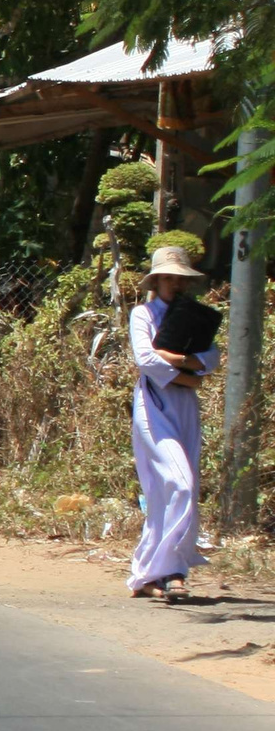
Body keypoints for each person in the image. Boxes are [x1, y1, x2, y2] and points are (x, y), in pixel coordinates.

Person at [127, 245, 219, 600]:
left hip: (185, 406)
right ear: (156, 281)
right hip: (153, 402)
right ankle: (171, 571)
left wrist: (181, 360)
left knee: (180, 489)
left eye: (179, 278)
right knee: (177, 482)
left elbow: (212, 357)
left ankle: (154, 575)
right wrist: (189, 374)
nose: (174, 284)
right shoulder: (143, 314)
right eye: (167, 277)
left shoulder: (196, 316)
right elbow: (146, 359)